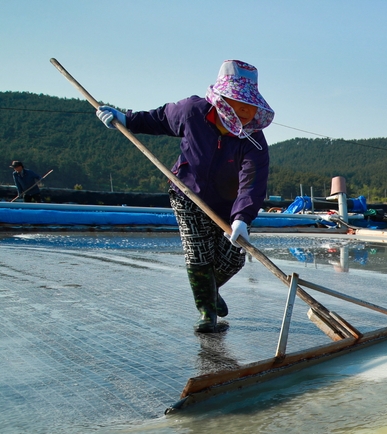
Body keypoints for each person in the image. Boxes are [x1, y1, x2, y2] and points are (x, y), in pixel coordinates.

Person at [95, 60, 274, 334]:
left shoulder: (254, 140)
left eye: (251, 110)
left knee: (233, 258)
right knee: (198, 252)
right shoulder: (192, 112)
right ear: (222, 101)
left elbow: (252, 182)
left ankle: (210, 292)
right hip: (187, 193)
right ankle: (207, 311)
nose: (247, 116)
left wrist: (242, 218)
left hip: (229, 205)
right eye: (241, 108)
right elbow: (160, 119)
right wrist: (126, 119)